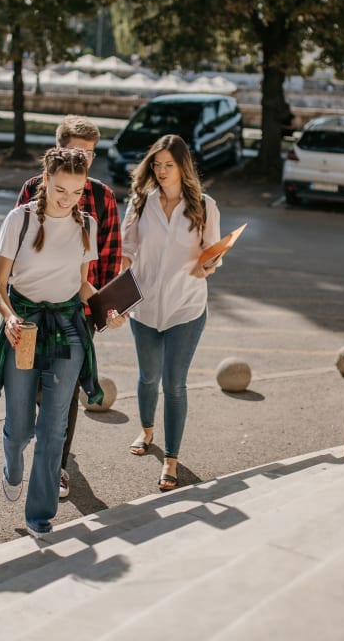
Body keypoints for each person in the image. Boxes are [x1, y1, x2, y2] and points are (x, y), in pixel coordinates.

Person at [0, 147, 125, 539]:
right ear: (45, 180)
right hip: (24, 326)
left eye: (77, 192)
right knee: (18, 428)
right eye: (61, 190)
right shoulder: (20, 219)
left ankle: (40, 518)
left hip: (67, 328)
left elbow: (82, 285)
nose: (68, 199)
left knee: (53, 429)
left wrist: (107, 309)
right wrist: (10, 316)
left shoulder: (88, 225)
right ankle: (12, 464)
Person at [15, 116, 122, 499]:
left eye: (91, 153)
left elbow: (109, 260)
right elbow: (15, 253)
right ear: (58, 151)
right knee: (33, 388)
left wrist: (103, 312)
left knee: (66, 388)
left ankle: (57, 465)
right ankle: (33, 446)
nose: (86, 159)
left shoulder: (103, 197)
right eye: (78, 151)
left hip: (78, 309)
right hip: (30, 309)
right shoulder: (31, 190)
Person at [121, 134, 221, 492]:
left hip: (187, 307)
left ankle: (171, 458)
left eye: (169, 165)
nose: (162, 172)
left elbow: (213, 252)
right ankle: (147, 430)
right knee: (148, 377)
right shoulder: (139, 203)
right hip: (144, 306)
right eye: (157, 165)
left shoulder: (205, 206)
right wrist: (116, 288)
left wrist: (208, 265)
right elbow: (127, 250)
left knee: (174, 383)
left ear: (183, 167)